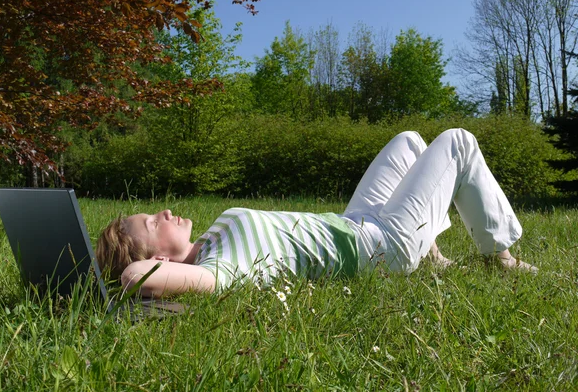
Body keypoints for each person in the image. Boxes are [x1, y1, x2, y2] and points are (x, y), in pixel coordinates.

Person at [96, 129, 537, 298]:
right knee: (457, 142)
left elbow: (141, 269)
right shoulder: (218, 269)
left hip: (359, 225)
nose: (165, 211)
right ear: (161, 261)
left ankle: (433, 256)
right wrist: (129, 269)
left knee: (409, 141)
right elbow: (135, 277)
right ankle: (500, 258)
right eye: (153, 223)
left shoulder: (212, 239)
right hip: (383, 248)